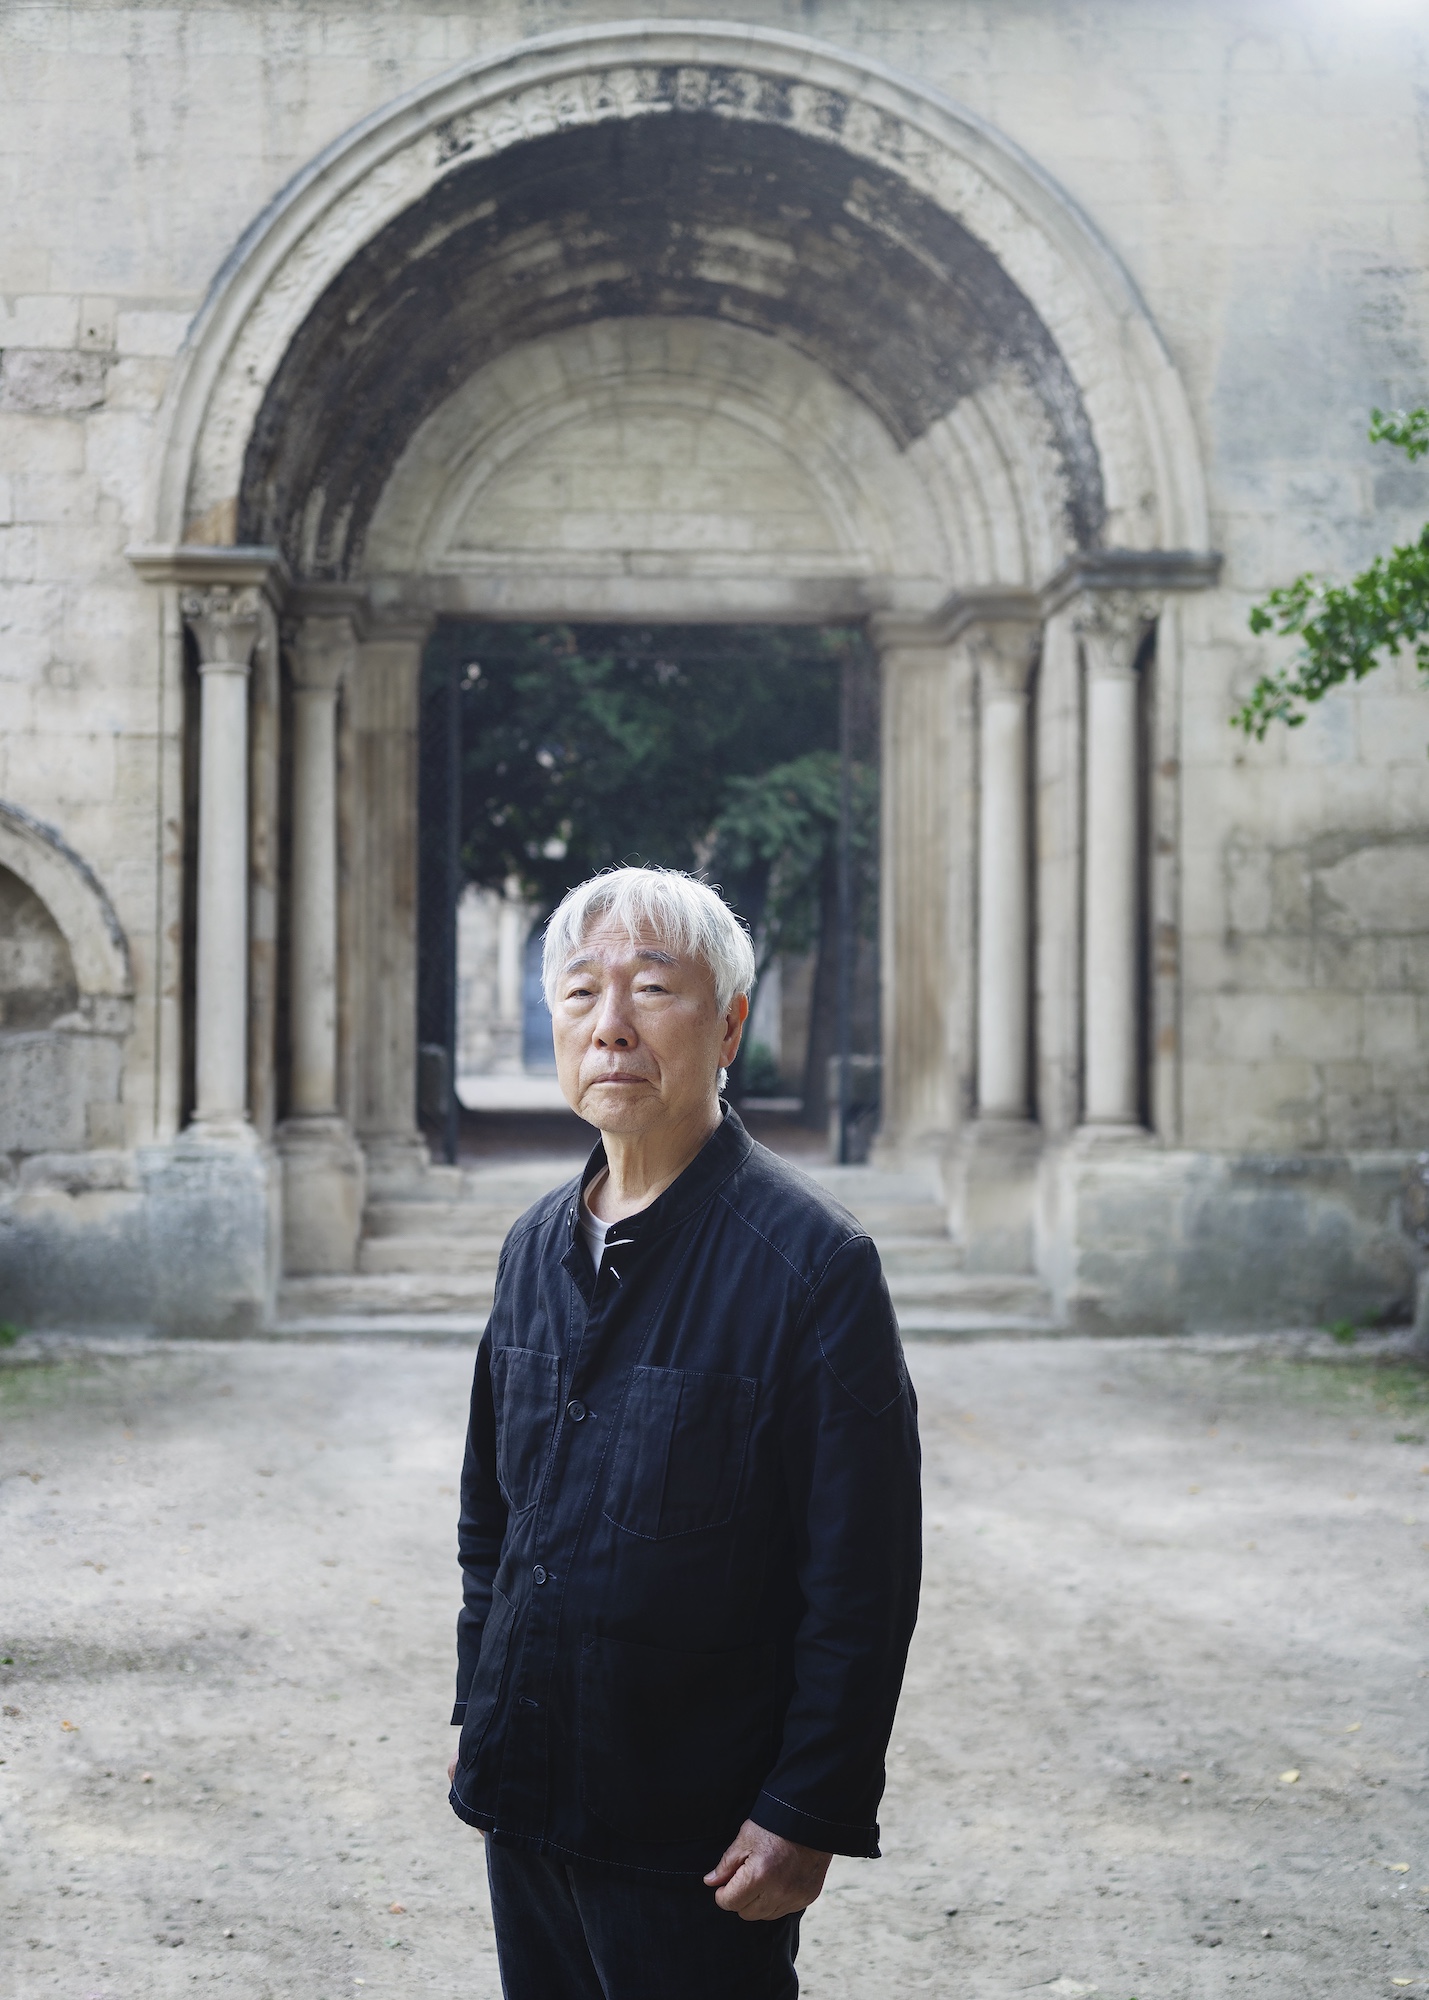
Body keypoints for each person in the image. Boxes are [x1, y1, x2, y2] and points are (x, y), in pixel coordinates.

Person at [447, 866, 921, 2000]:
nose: (609, 1024)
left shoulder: (812, 1267)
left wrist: (807, 1805)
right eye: (579, 993)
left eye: (652, 988)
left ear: (729, 1024)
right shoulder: (530, 1250)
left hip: (697, 1838)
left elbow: (861, 1572)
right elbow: (490, 1522)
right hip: (528, 1803)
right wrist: (478, 1702)